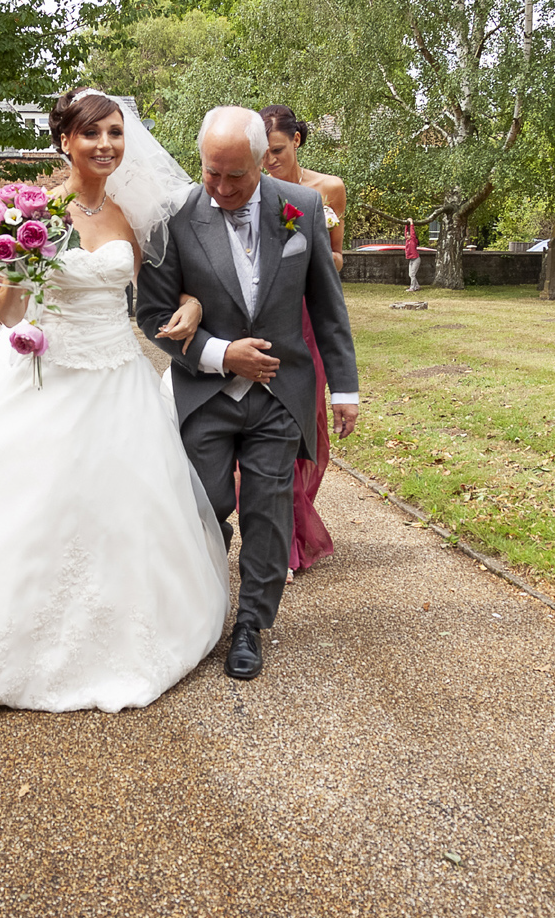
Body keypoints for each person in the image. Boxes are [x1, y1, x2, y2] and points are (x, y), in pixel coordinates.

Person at [0, 88, 228, 713]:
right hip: (47, 368)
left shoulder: (130, 217)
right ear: (66, 141)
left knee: (121, 501)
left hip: (117, 373)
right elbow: (8, 315)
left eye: (115, 133)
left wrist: (192, 304)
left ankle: (124, 624)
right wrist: (17, 271)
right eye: (93, 134)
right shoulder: (28, 214)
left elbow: (157, 297)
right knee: (31, 496)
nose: (107, 145)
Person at [137, 106, 359, 682]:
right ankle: (205, 593)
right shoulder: (176, 215)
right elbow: (154, 312)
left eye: (236, 175)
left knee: (268, 508)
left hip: (281, 393)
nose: (223, 187)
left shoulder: (303, 208)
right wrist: (218, 353)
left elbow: (326, 306)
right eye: (212, 172)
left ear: (265, 159)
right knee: (205, 504)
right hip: (206, 395)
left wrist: (346, 389)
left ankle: (250, 625)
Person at [260, 103, 344, 581]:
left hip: (308, 316)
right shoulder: (252, 190)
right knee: (275, 420)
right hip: (268, 318)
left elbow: (337, 260)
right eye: (262, 152)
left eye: (275, 151)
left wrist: (306, 252)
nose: (268, 161)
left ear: (297, 142)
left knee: (306, 422)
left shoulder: (327, 190)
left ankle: (292, 520)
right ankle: (284, 539)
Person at [404, 218, 421, 291]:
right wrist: (406, 224)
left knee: (412, 274)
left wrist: (411, 223)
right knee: (410, 274)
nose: (407, 236)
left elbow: (412, 232)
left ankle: (412, 287)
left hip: (416, 259)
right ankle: (417, 286)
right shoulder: (407, 240)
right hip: (411, 259)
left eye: (408, 235)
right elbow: (405, 233)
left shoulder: (413, 240)